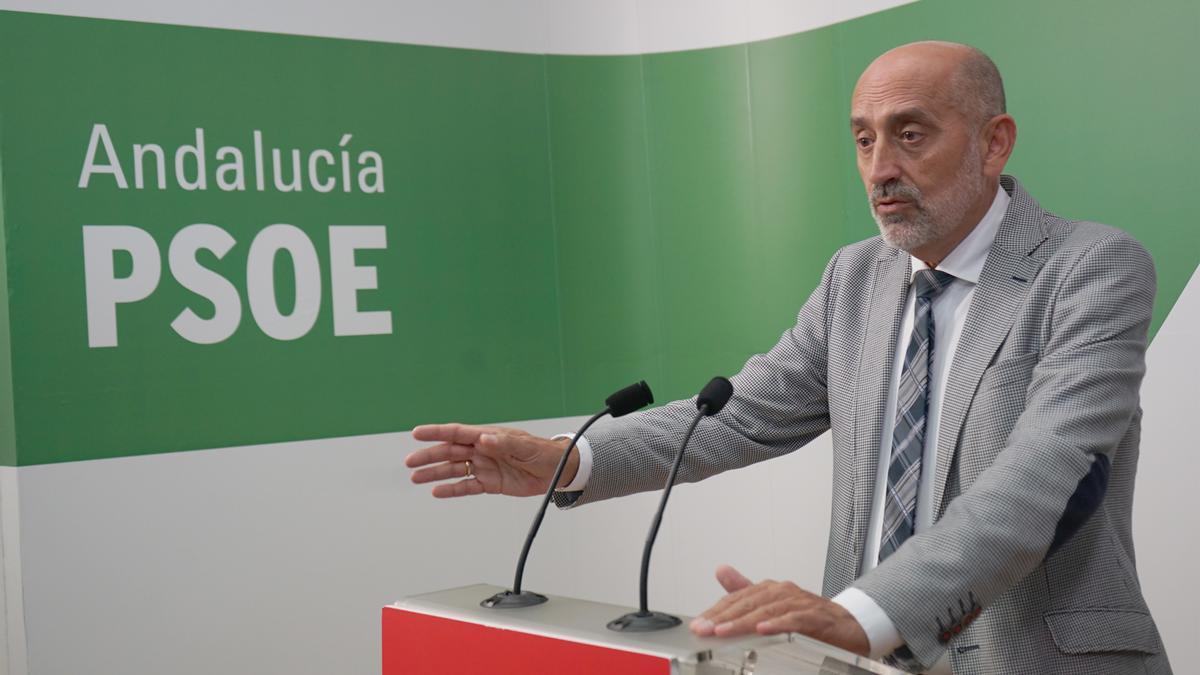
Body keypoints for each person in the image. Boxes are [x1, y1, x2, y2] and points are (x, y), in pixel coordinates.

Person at [405, 41, 1170, 674]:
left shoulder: (1091, 267)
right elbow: (738, 414)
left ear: (993, 140)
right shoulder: (854, 278)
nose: (880, 168)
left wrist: (863, 613)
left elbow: (1042, 474)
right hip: (859, 661)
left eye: (911, 133)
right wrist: (571, 460)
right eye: (863, 138)